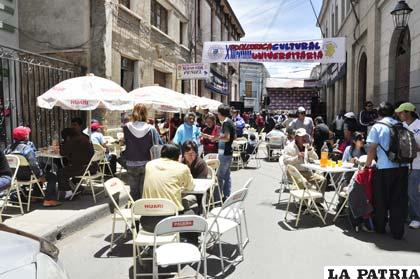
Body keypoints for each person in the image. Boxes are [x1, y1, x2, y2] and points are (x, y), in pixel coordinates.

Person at [365, 102, 409, 239]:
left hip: (384, 168)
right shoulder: (400, 125)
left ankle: (380, 227)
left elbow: (372, 148)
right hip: (402, 167)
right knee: (398, 201)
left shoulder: (377, 127)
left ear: (379, 113)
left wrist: (367, 165)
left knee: (381, 199)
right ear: (393, 113)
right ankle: (397, 232)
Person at [142, 144, 196, 232]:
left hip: (147, 221)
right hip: (171, 222)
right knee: (192, 204)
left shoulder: (149, 165)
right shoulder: (182, 168)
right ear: (179, 156)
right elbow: (190, 187)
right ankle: (191, 241)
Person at [4, 127, 57, 206]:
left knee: (42, 167)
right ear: (26, 137)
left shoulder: (8, 149)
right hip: (28, 176)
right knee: (52, 176)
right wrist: (40, 175)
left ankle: (35, 195)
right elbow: (34, 166)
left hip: (14, 176)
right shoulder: (27, 149)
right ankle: (48, 200)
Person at [122, 104, 161, 201]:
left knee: (133, 191)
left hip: (131, 162)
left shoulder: (126, 127)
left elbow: (125, 142)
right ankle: (143, 212)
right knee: (145, 191)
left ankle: (134, 211)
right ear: (145, 114)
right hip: (147, 163)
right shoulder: (151, 129)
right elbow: (157, 145)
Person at [395, 102, 420, 229]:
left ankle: (416, 218)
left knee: (413, 192)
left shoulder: (419, 125)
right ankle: (407, 215)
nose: (399, 114)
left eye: (401, 112)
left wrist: (410, 147)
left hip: (417, 165)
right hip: (403, 165)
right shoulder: (401, 126)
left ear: (408, 112)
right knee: (404, 192)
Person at [216, 104, 235, 199]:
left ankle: (217, 198)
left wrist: (216, 138)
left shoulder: (226, 123)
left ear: (221, 114)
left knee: (219, 176)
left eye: (218, 113)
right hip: (227, 153)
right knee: (227, 176)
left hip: (225, 154)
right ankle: (226, 195)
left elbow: (227, 138)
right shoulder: (229, 122)